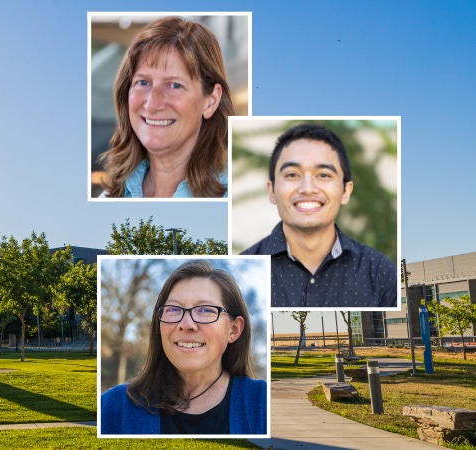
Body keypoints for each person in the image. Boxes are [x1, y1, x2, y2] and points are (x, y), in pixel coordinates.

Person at [100, 261, 266, 435]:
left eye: (205, 310)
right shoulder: (113, 408)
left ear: (234, 330)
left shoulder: (263, 404)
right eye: (173, 309)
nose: (186, 324)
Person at [241, 123, 397, 308]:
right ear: (272, 191)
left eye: (323, 175)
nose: (307, 188)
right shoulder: (243, 272)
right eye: (292, 174)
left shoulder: (380, 273)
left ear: (346, 191)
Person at [98, 17, 232, 198]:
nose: (152, 104)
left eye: (175, 85)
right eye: (143, 82)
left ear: (211, 100)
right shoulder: (110, 198)